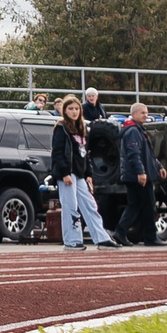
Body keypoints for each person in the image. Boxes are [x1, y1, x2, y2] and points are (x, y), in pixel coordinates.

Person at [52, 95, 117, 250]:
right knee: (70, 206)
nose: (74, 112)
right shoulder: (61, 128)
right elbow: (57, 153)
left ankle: (101, 238)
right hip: (68, 174)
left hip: (80, 174)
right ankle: (72, 240)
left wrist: (89, 174)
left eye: (76, 108)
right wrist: (65, 173)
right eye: (70, 109)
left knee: (90, 205)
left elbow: (85, 154)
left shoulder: (82, 128)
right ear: (64, 111)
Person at [119, 102, 166, 244]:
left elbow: (148, 154)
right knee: (149, 205)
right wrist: (141, 172)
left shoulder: (138, 130)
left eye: (146, 112)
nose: (146, 115)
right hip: (137, 176)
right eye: (142, 113)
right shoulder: (133, 131)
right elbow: (134, 154)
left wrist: (159, 166)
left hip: (134, 175)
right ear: (133, 114)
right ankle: (150, 237)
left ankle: (120, 232)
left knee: (134, 205)